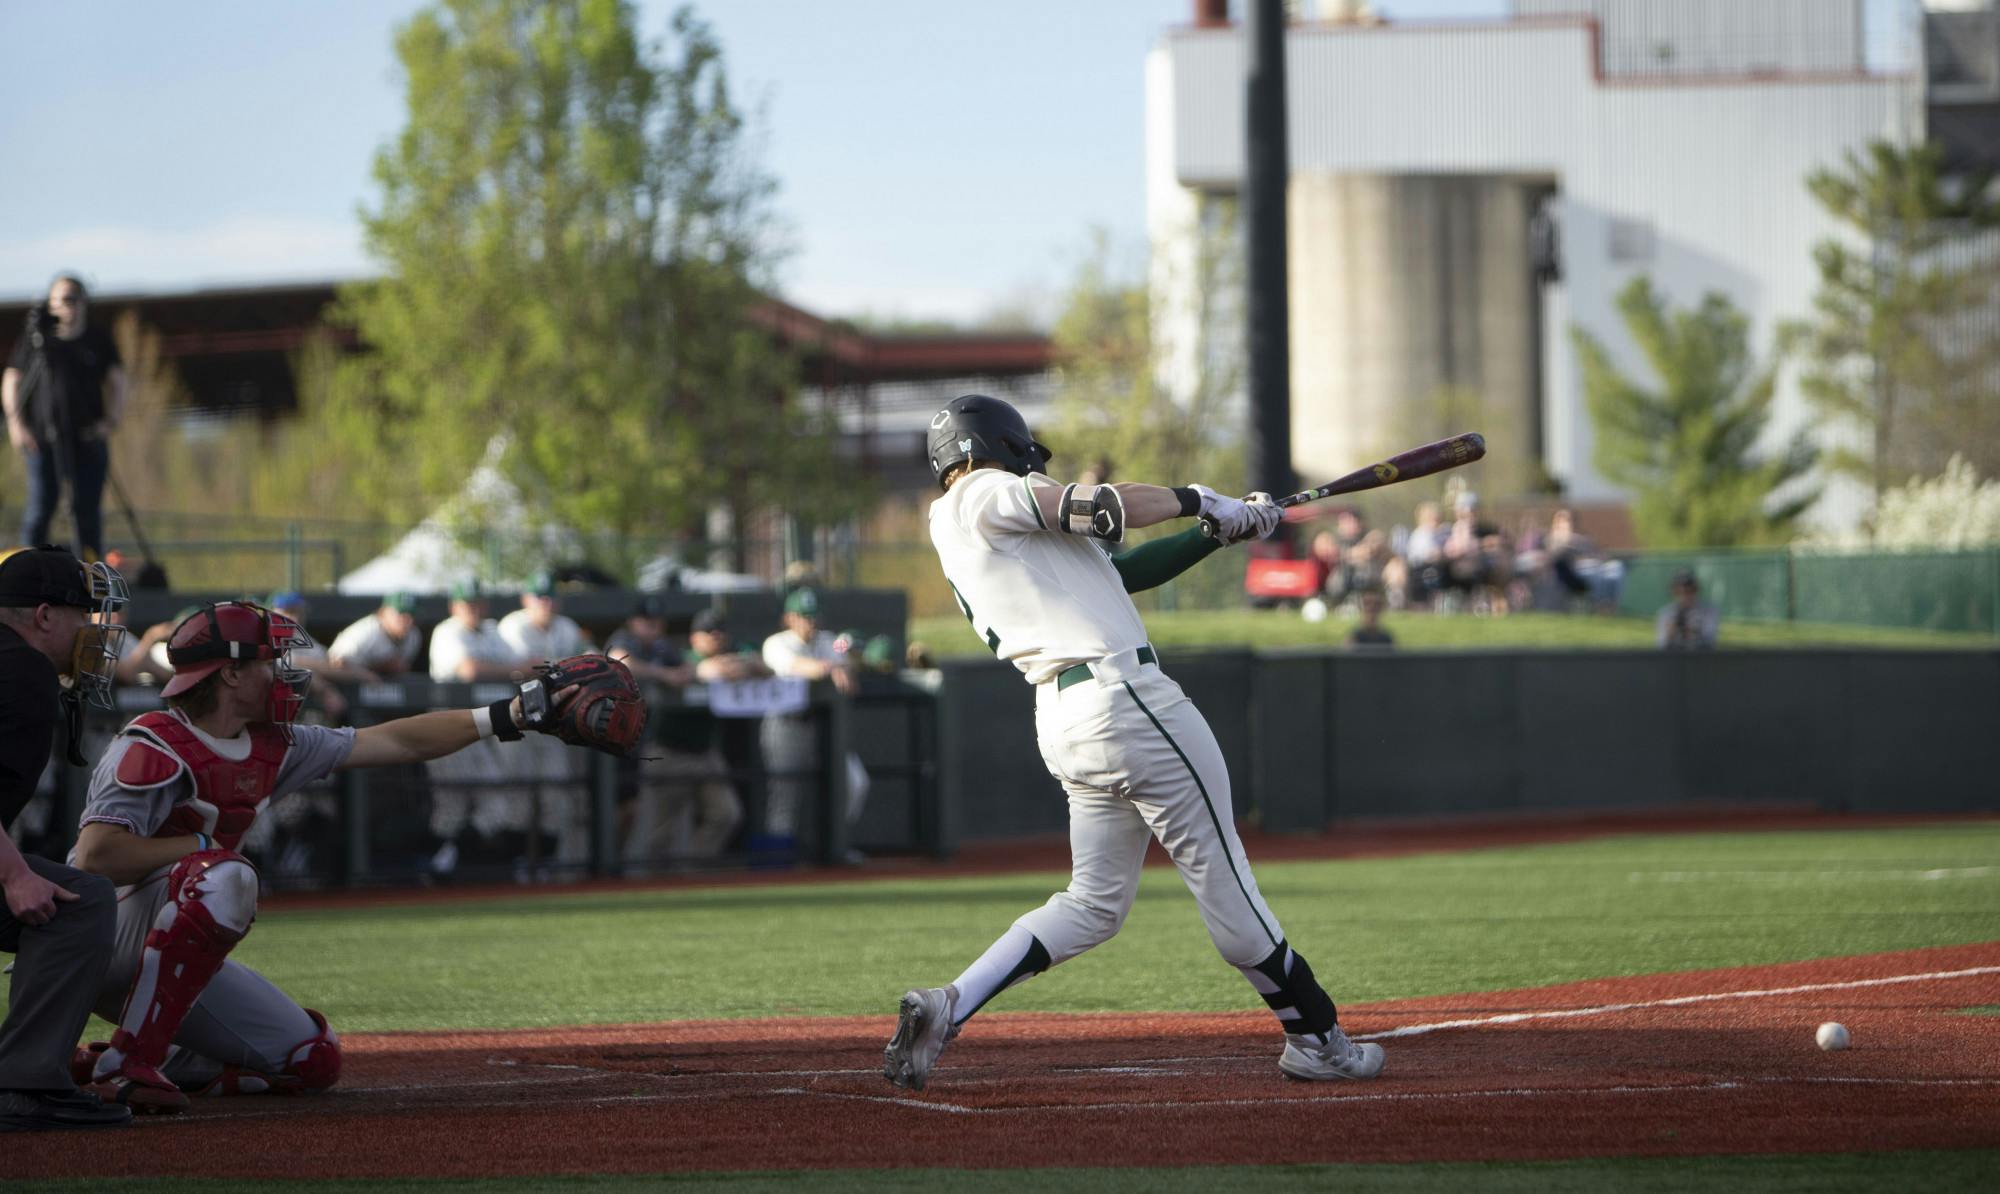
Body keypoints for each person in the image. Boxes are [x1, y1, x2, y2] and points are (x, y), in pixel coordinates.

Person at [883, 394, 1384, 1091]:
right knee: (1226, 882)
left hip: (1066, 717)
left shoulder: (980, 526)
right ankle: (1317, 1039)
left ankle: (950, 1005)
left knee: (1091, 904)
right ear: (988, 445)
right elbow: (1103, 508)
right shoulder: (987, 491)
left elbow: (1124, 574)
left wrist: (1223, 529)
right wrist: (1200, 499)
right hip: (1127, 701)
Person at [67, 599, 605, 1114]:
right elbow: (95, 856)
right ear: (230, 674)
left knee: (311, 1060)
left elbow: (395, 742)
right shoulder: (152, 742)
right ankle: (128, 1063)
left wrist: (507, 715)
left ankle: (114, 1062)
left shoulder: (274, 743)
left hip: (164, 954)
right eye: (267, 660)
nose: (282, 670)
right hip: (99, 940)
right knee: (225, 875)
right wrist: (202, 847)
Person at [0, 546, 131, 1131]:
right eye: (83, 614)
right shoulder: (22, 669)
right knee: (80, 904)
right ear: (46, 616)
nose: (92, 632)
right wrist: (14, 874)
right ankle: (24, 1083)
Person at [607, 599, 747, 866]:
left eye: (657, 622)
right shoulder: (624, 639)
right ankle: (630, 881)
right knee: (651, 827)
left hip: (689, 749)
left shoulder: (666, 649)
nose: (653, 628)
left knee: (725, 814)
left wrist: (686, 671)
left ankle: (688, 873)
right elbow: (618, 661)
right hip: (628, 740)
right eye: (646, 622)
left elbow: (693, 668)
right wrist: (664, 674)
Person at [3, 277, 128, 560]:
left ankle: (92, 578)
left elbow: (118, 380)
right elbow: (12, 379)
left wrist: (111, 420)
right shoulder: (37, 340)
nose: (65, 306)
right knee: (39, 510)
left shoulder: (97, 339)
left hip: (86, 438)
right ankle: (27, 577)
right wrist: (16, 424)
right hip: (41, 440)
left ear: (84, 302)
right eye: (58, 300)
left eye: (72, 299)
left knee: (86, 514)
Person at [759, 588, 865, 856]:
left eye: (814, 616)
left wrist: (849, 654)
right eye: (804, 616)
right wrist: (833, 667)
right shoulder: (776, 642)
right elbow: (795, 665)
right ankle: (779, 857)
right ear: (789, 618)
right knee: (785, 793)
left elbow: (845, 648)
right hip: (785, 725)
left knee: (854, 783)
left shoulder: (828, 639)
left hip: (822, 727)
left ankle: (835, 846)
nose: (810, 622)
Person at [327, 591, 422, 677]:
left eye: (412, 614)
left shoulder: (413, 636)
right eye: (401, 614)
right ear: (383, 612)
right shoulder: (364, 632)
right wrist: (374, 670)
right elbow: (334, 663)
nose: (408, 620)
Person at [1656, 568, 1719, 650]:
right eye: (1679, 591)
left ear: (1696, 589)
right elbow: (1661, 645)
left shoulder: (1709, 611)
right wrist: (1670, 634)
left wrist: (1692, 633)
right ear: (1673, 592)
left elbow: (1710, 642)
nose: (1684, 595)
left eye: (1689, 590)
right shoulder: (1666, 613)